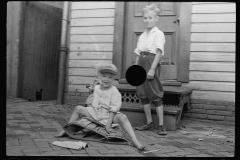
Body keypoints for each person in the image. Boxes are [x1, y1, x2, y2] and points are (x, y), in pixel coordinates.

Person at [55, 63, 145, 150]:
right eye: (104, 76)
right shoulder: (97, 88)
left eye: (110, 77)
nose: (106, 79)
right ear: (100, 77)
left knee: (123, 117)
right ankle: (66, 130)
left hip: (108, 115)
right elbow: (93, 101)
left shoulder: (114, 91)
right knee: (78, 108)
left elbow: (114, 109)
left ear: (113, 79)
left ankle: (134, 140)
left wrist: (109, 124)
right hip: (95, 113)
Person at [134, 4, 167, 135]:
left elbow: (159, 52)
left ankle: (161, 125)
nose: (147, 20)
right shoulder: (142, 35)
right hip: (141, 63)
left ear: (156, 18)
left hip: (151, 63)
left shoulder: (158, 34)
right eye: (145, 18)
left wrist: (152, 69)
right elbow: (138, 53)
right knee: (142, 93)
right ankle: (149, 122)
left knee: (155, 93)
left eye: (150, 17)